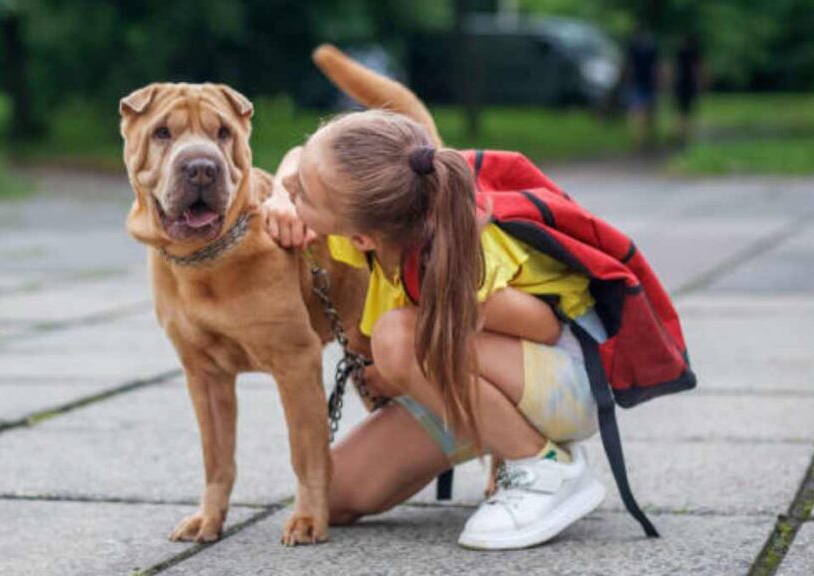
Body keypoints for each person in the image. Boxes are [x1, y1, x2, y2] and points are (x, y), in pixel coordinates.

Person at [260, 110, 607, 550]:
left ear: (360, 238)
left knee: (396, 338)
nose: (293, 193)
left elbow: (543, 327)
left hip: (571, 378)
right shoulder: (379, 225)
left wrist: (415, 354)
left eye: (303, 194)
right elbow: (295, 158)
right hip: (472, 381)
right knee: (332, 495)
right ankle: (507, 434)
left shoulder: (457, 252)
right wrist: (277, 190)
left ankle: (543, 466)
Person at [625, 24, 659, 150]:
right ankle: (645, 136)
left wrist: (628, 80)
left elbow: (629, 67)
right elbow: (656, 68)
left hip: (637, 82)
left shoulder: (632, 48)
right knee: (647, 111)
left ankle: (638, 137)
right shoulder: (652, 48)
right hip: (648, 83)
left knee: (637, 111)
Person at [674, 33, 703, 146]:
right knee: (689, 111)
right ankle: (688, 135)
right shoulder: (695, 53)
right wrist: (699, 82)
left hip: (680, 85)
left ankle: (681, 134)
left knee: (681, 112)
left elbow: (675, 68)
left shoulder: (679, 53)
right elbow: (696, 69)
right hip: (689, 85)